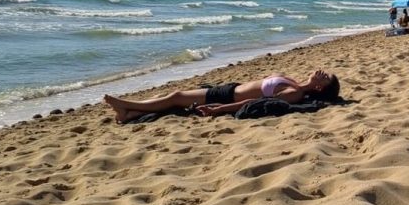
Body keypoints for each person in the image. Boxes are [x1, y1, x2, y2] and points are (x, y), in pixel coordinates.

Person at [103, 70, 340, 123]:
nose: (320, 72)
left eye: (324, 77)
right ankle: (129, 113)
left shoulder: (296, 93)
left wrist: (220, 110)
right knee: (171, 97)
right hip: (230, 87)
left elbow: (257, 102)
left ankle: (125, 106)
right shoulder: (295, 83)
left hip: (226, 96)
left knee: (176, 96)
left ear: (319, 88)